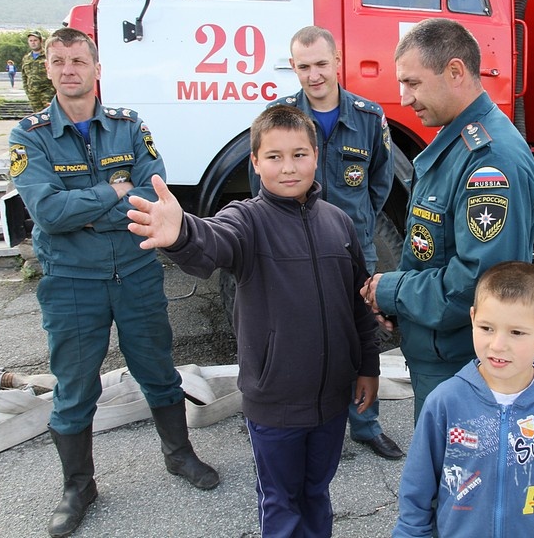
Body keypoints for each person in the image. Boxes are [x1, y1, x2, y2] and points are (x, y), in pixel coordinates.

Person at [126, 105, 381, 538]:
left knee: (316, 493)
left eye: (299, 154)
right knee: (281, 502)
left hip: (333, 400)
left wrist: (368, 367)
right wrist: (183, 233)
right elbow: (212, 241)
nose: (288, 167)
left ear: (316, 156)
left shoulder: (338, 222)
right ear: (255, 162)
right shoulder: (246, 220)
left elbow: (359, 304)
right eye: (275, 156)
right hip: (275, 403)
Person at [8, 27, 218, 538]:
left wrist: (86, 210)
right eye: (58, 61)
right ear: (48, 67)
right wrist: (111, 193)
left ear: (96, 68)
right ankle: (79, 487)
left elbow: (152, 190)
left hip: (137, 272)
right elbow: (46, 211)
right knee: (75, 387)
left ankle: (178, 455)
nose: (67, 69)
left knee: (157, 369)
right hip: (72, 281)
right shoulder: (28, 135)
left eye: (78, 60)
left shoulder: (129, 126)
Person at [361, 18, 534, 421]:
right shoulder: (459, 143)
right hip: (443, 355)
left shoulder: (488, 162)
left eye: (413, 83)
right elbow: (433, 254)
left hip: (461, 366)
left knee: (456, 476)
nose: (403, 98)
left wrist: (389, 291)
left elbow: (480, 286)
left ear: (455, 71)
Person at [250, 25, 402, 460]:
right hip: (292, 249)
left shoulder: (369, 117)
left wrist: (357, 224)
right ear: (293, 67)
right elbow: (261, 182)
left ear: (337, 62)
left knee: (360, 331)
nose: (314, 75)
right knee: (297, 331)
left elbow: (380, 182)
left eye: (321, 64)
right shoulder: (279, 118)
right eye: (303, 67)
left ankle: (366, 425)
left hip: (353, 244)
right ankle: (301, 419)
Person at [393, 261, 534, 537]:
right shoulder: (445, 403)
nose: (497, 345)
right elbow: (416, 491)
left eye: (516, 332)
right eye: (486, 328)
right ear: (472, 318)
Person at [21, 30, 56, 112]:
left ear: (41, 41)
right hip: (33, 94)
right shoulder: (26, 58)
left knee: (50, 115)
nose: (33, 43)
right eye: (31, 41)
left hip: (47, 92)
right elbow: (24, 76)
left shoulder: (48, 55)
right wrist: (28, 91)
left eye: (35, 40)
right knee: (38, 118)